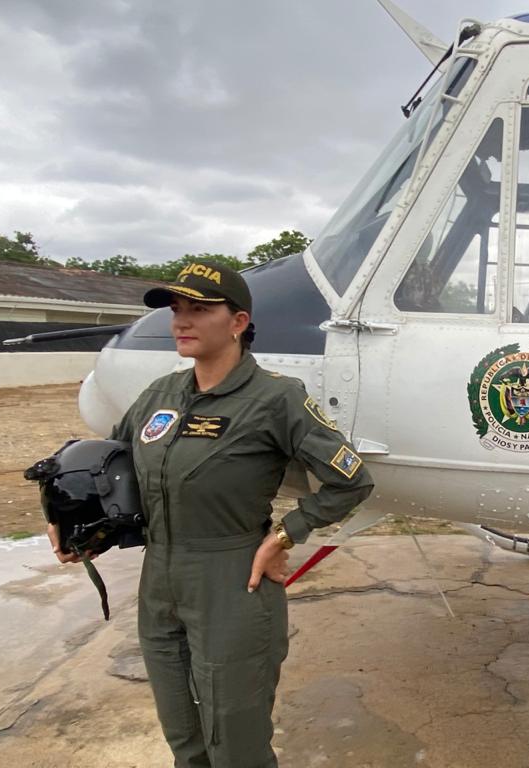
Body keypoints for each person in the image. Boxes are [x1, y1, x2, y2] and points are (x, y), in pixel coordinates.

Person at [48, 259, 374, 767]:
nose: (181, 321)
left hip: (232, 581)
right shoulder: (159, 396)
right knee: (185, 741)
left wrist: (285, 536)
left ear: (238, 322)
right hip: (160, 582)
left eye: (198, 310)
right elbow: (113, 467)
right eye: (177, 310)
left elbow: (350, 478)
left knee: (236, 747)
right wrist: (75, 522)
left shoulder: (275, 398)